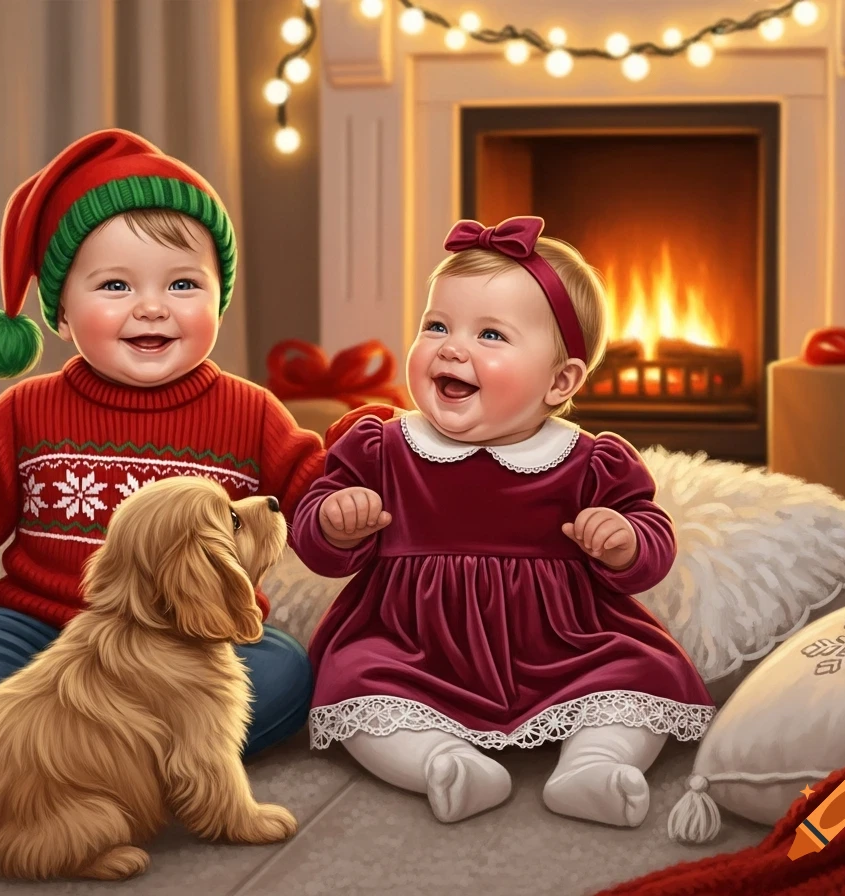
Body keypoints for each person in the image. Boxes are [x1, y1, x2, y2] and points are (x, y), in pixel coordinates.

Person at [0, 128, 328, 757]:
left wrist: (341, 511)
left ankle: (85, 758)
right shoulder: (28, 411)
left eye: (182, 285)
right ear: (61, 314)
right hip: (54, 640)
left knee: (284, 669)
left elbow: (311, 493)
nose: (152, 307)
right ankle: (141, 756)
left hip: (197, 646)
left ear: (219, 301)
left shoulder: (251, 413)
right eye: (116, 286)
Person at [290, 216, 716, 824]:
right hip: (412, 645)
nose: (451, 348)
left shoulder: (587, 460)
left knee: (639, 674)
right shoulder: (382, 447)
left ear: (559, 380)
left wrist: (623, 540)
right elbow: (315, 541)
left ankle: (595, 763)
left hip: (564, 644)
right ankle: (442, 762)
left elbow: (650, 540)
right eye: (436, 326)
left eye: (490, 334)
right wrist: (336, 521)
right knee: (355, 680)